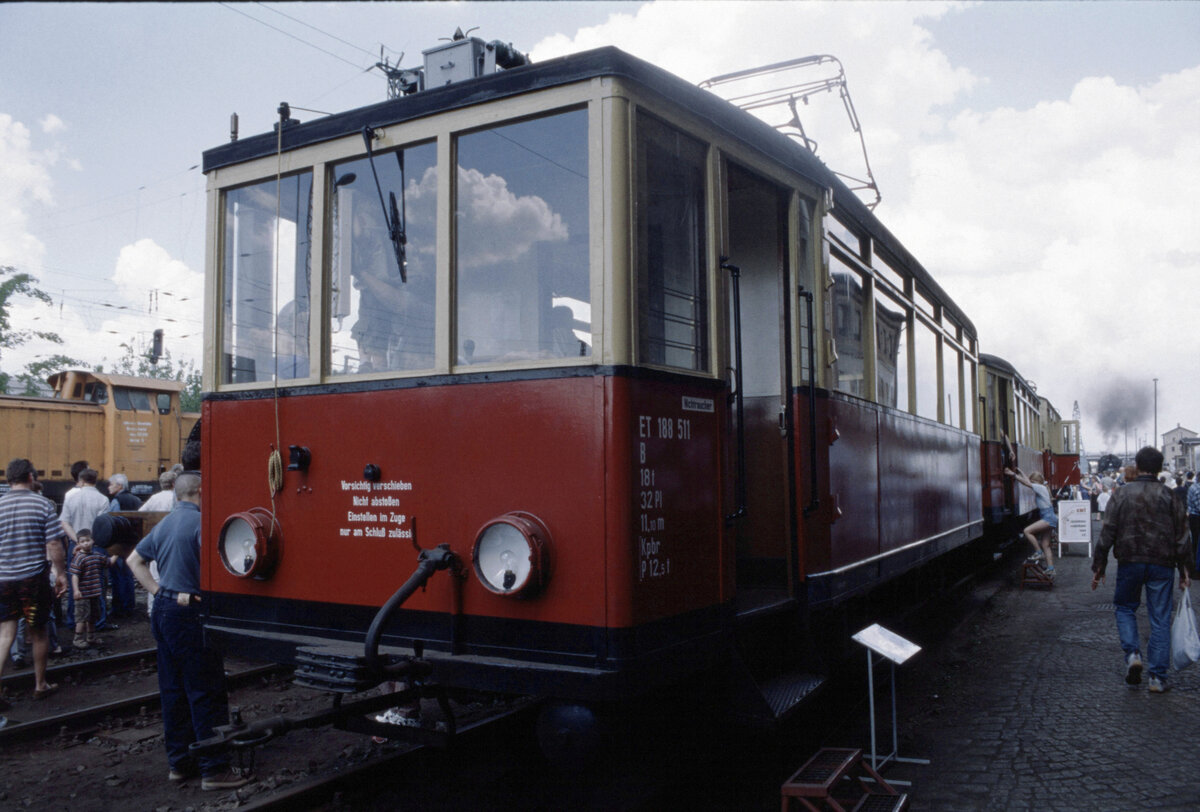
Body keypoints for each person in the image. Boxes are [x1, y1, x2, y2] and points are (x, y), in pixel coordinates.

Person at [126, 473, 251, 790]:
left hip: (165, 611)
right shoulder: (202, 525)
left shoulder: (165, 524)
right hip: (190, 614)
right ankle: (214, 770)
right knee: (205, 690)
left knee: (173, 691)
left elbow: (134, 560)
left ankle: (180, 764)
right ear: (200, 492)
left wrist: (157, 591)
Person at [1091, 446, 1192, 693]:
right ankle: (1157, 678)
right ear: (1159, 467)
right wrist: (1185, 568)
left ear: (1137, 465)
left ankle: (1133, 654)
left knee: (1125, 608)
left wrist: (1099, 564)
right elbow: (1182, 534)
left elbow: (1108, 531)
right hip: (1162, 564)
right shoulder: (1170, 496)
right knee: (1160, 618)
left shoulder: (1121, 494)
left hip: (1130, 561)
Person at [0, 458, 68, 707]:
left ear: (9, 479)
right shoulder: (43, 505)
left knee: (5, 633)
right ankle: (40, 685)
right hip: (33, 578)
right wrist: (60, 574)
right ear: (30, 477)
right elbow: (53, 544)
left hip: (3, 578)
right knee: (39, 633)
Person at [59, 467, 110, 627]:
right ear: (96, 480)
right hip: (95, 545)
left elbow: (64, 522)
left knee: (75, 582)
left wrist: (78, 541)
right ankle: (97, 622)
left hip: (75, 545)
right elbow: (103, 526)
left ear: (81, 480)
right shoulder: (102, 499)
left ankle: (73, 620)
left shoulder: (71, 498)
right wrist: (90, 542)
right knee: (96, 584)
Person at [1005, 467, 1058, 577]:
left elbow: (1026, 483)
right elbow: (1028, 482)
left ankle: (1038, 553)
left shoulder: (1039, 487)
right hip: (1050, 516)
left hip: (1047, 517)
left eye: (1033, 481)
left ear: (1036, 482)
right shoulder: (1042, 487)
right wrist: (1021, 472)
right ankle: (1051, 569)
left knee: (1027, 531)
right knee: (1045, 545)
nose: (1031, 484)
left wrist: (1013, 475)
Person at [105, 473, 140, 618]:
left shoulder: (116, 501)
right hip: (132, 543)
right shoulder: (137, 499)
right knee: (128, 575)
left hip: (119, 544)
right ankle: (129, 606)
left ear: (119, 486)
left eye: (111, 484)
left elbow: (112, 523)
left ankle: (119, 608)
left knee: (118, 576)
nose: (108, 487)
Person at [69, 529, 107, 648]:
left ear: (93, 541)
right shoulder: (79, 558)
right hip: (83, 594)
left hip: (94, 592)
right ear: (78, 544)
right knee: (81, 617)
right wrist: (76, 590)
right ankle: (78, 638)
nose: (85, 543)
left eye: (88, 540)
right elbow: (75, 575)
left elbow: (108, 562)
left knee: (92, 616)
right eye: (82, 541)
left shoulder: (97, 555)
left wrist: (118, 553)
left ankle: (91, 636)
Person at [1187, 470, 1200, 575]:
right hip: (1197, 517)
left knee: (1195, 541)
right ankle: (1196, 567)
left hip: (1192, 516)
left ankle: (1194, 565)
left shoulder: (1192, 487)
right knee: (1197, 542)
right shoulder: (1198, 488)